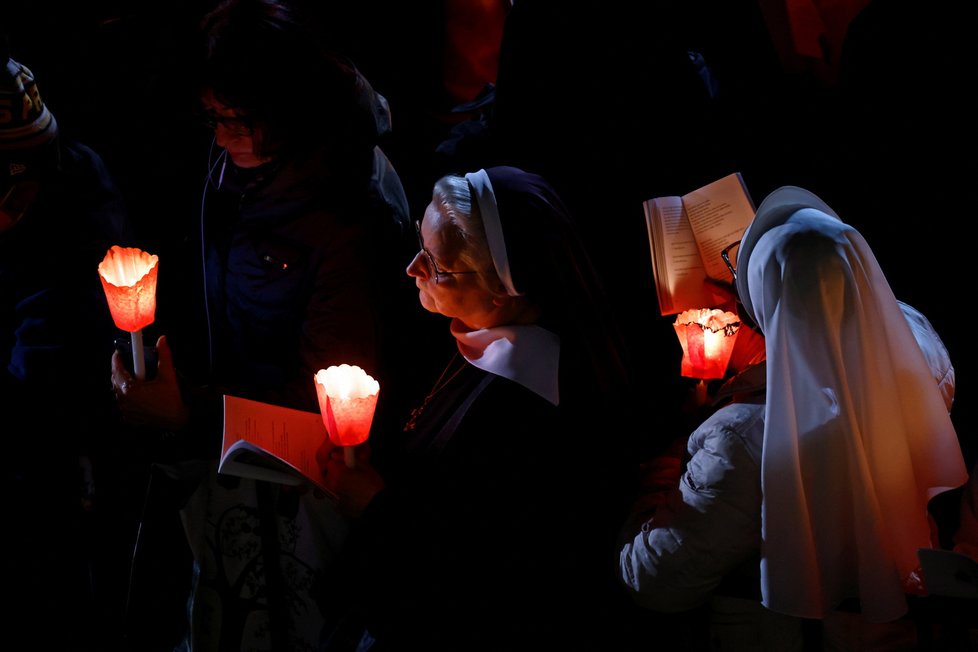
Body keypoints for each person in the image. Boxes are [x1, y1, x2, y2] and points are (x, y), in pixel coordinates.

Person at [108, 1, 419, 650]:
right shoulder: (246, 170)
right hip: (235, 467)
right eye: (213, 117)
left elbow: (331, 405)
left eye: (237, 120)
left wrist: (188, 414)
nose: (220, 137)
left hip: (299, 495)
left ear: (290, 108)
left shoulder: (348, 219)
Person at [619, 186, 969, 650]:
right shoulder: (915, 348)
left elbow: (655, 580)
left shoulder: (741, 437)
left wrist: (664, 464)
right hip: (900, 623)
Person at [318, 166, 644, 651]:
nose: (412, 268)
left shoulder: (532, 409)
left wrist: (376, 507)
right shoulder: (473, 339)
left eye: (435, 263)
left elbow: (484, 568)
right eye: (419, 245)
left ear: (503, 287)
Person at [0, 36, 135, 650]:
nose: (11, 205)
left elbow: (59, 344)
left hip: (51, 435)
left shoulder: (77, 191)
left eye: (20, 186)